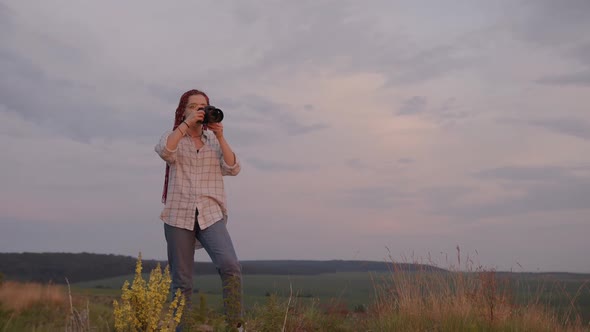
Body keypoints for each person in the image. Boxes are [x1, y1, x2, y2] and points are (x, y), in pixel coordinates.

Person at [154, 89, 243, 330]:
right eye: (194, 106)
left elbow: (233, 168)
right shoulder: (172, 136)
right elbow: (165, 151)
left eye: (203, 106)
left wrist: (222, 137)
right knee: (182, 282)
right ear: (183, 110)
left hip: (210, 213)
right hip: (178, 215)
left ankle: (236, 326)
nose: (199, 110)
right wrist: (185, 125)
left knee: (230, 266)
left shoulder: (213, 141)